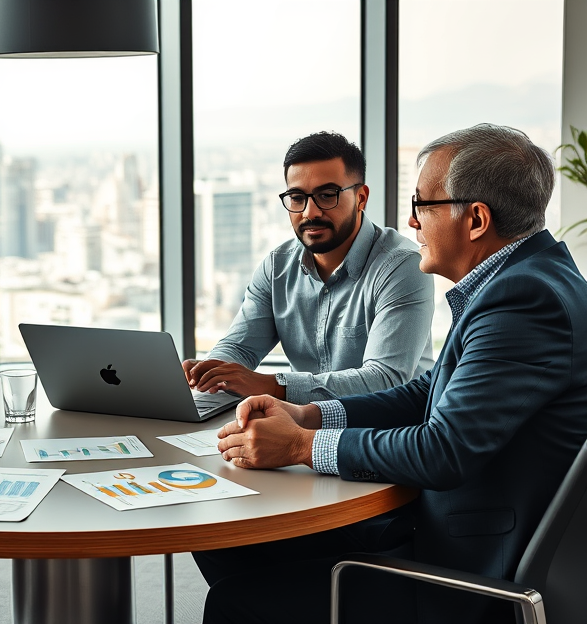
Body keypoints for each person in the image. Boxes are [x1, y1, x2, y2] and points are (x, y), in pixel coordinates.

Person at [199, 124, 587, 624]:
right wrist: (310, 414)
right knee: (230, 540)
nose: (411, 220)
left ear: (475, 220)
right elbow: (428, 391)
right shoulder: (525, 280)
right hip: (443, 529)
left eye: (422, 204)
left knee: (236, 598)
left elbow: (442, 450)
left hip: (463, 573)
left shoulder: (522, 302)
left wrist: (299, 446)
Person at [183, 132, 434, 404]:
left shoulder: (402, 266)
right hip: (298, 429)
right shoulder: (277, 266)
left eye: (327, 196)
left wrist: (270, 385)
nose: (309, 213)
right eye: (297, 198)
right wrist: (210, 371)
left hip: (384, 435)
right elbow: (240, 347)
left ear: (361, 198)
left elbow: (384, 379)